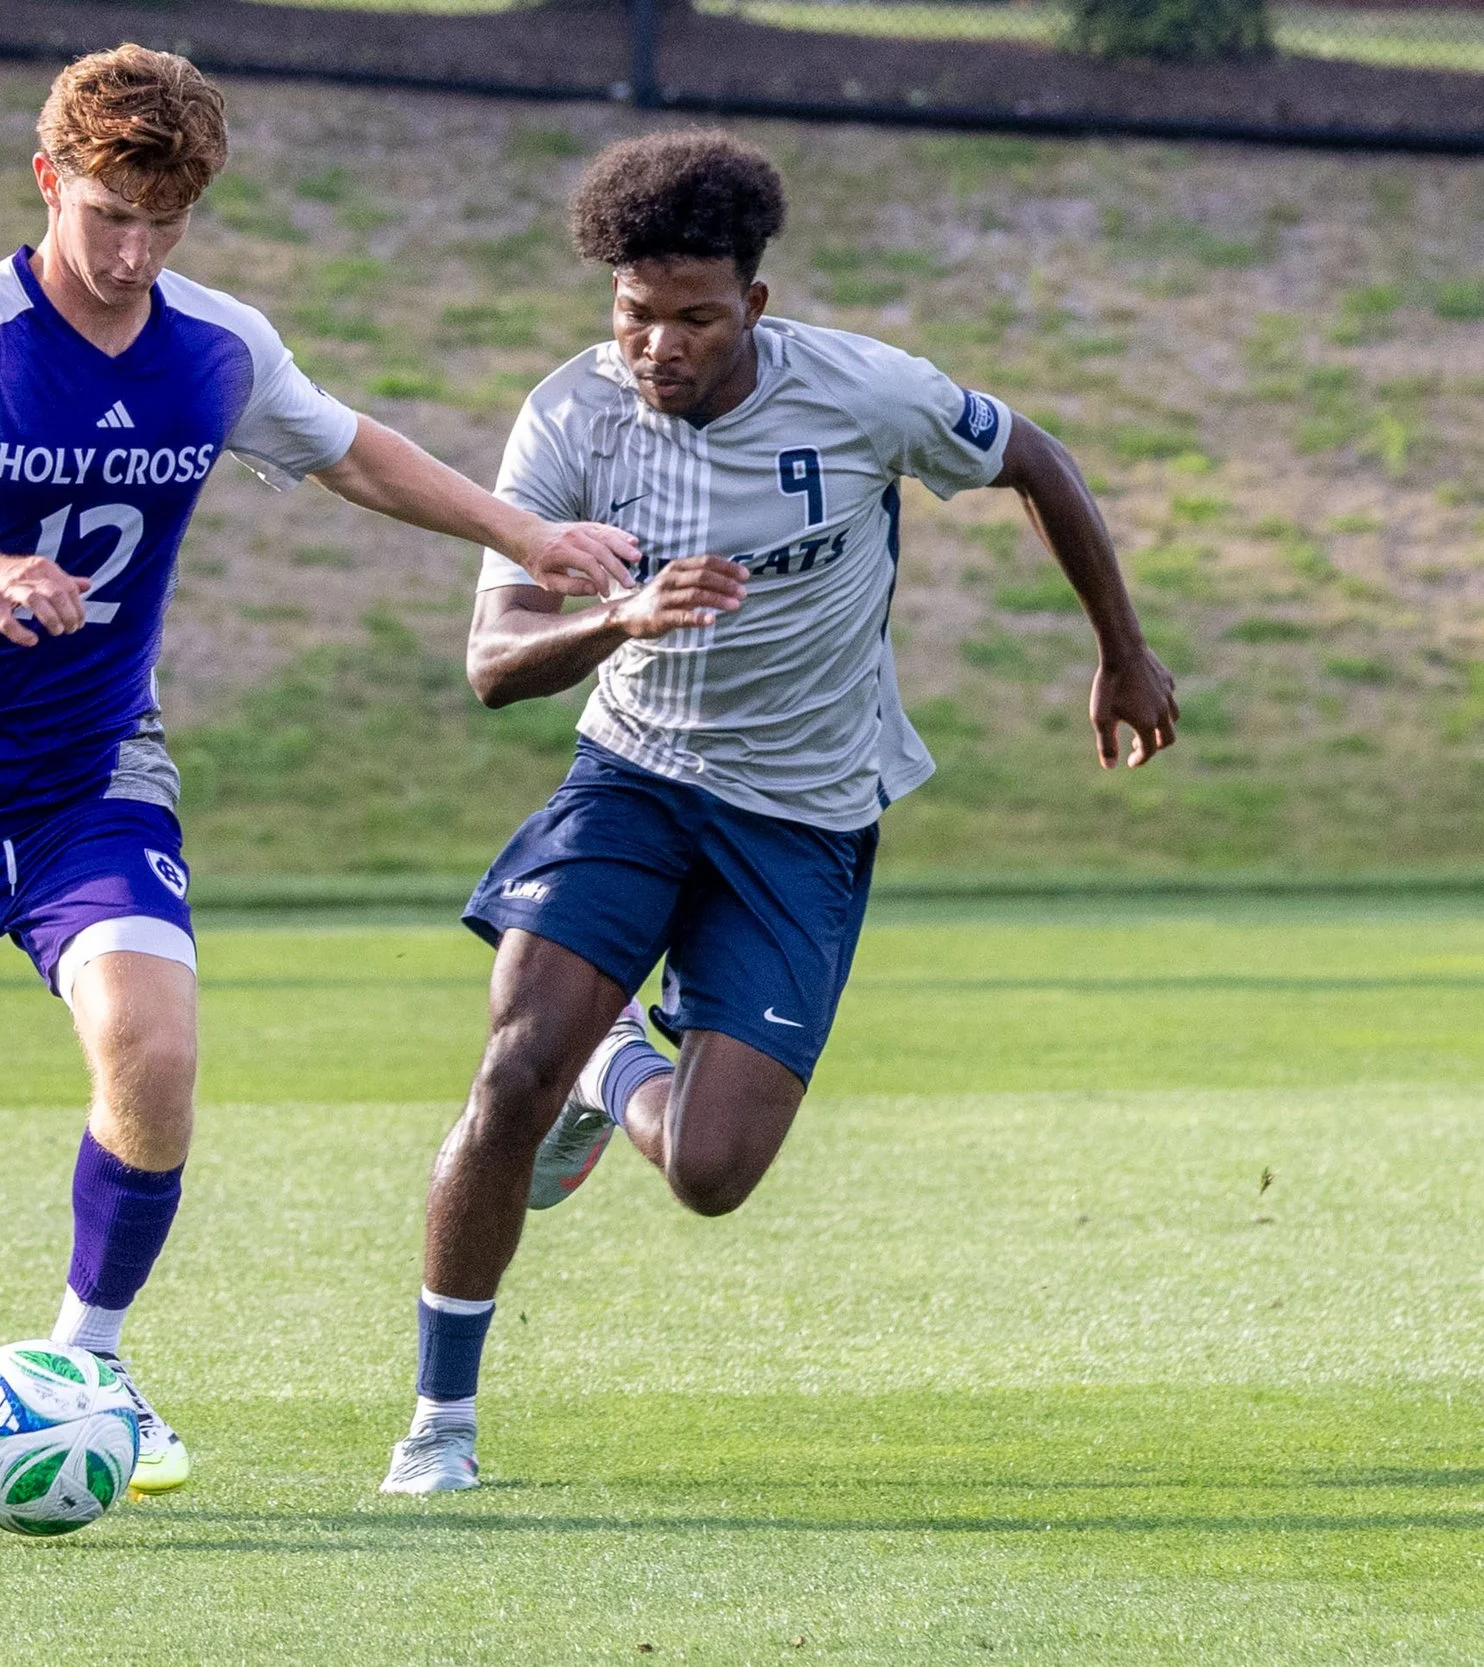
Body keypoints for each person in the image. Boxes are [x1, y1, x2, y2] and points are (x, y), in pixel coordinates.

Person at [0, 42, 638, 1521]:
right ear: (47, 182)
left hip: (95, 774)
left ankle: (92, 1365)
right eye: (106, 217)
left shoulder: (216, 345)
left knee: (152, 1048)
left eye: (166, 224)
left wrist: (528, 539)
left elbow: (351, 452)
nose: (133, 253)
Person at [379, 129, 1180, 1494]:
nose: (660, 346)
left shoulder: (866, 393)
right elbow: (493, 664)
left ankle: (616, 1066)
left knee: (709, 1171)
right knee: (509, 1066)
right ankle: (437, 1428)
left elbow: (1034, 459)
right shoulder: (569, 418)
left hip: (803, 814)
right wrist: (622, 614)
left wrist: (1121, 646)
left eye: (696, 317)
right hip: (632, 779)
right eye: (637, 315)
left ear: (755, 303)